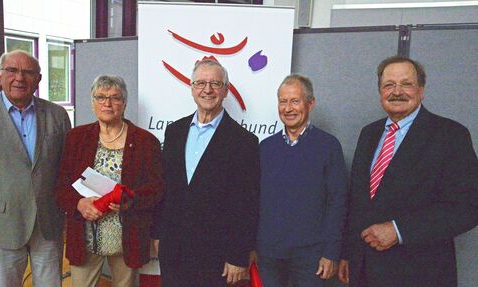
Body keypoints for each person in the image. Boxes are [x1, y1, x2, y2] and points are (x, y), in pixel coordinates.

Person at [338, 56, 478, 287]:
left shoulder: (450, 135)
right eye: (389, 85)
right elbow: (359, 202)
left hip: (420, 272)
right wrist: (348, 253)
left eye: (406, 84)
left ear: (421, 89)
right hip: (364, 270)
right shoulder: (369, 134)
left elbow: (468, 207)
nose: (397, 91)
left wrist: (399, 230)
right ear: (380, 91)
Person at [153, 59, 260, 287]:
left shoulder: (244, 142)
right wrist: (158, 234)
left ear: (226, 91)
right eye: (201, 83)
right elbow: (165, 190)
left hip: (217, 257)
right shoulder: (174, 132)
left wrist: (237, 256)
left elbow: (247, 204)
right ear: (192, 88)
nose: (207, 90)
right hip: (173, 251)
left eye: (215, 84)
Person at [55, 75, 164, 287]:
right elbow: (61, 186)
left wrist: (129, 199)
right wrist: (78, 203)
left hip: (127, 237)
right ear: (92, 101)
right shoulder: (76, 138)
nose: (107, 103)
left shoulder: (144, 141)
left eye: (115, 98)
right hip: (84, 236)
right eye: (101, 97)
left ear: (124, 103)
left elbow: (157, 189)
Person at [0, 50, 71, 286]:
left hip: (48, 225)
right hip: (0, 228)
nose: (20, 77)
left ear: (38, 79)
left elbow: (67, 171)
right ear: (0, 75)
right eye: (12, 70)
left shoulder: (57, 115)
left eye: (28, 72)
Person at [256, 74, 348, 287]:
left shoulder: (328, 146)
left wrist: (331, 253)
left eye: (295, 101)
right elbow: (255, 201)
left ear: (310, 103)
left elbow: (338, 203)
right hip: (269, 255)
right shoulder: (265, 148)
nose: (288, 108)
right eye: (283, 101)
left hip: (312, 258)